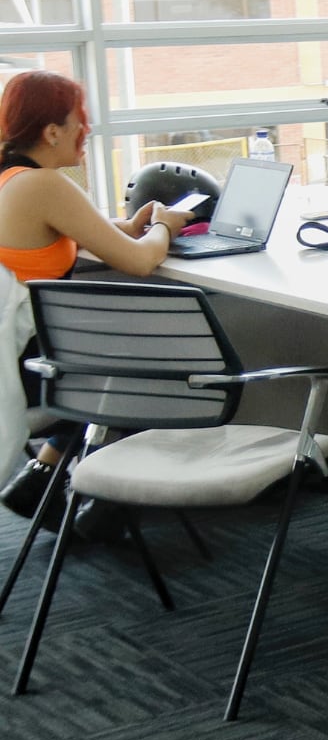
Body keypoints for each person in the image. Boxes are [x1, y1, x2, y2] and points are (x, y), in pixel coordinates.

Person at [0, 70, 193, 523]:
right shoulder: (44, 185)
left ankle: (46, 474)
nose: (86, 133)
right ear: (51, 131)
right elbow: (140, 263)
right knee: (154, 363)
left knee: (122, 353)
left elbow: (81, 236)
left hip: (28, 353)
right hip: (37, 365)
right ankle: (106, 499)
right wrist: (165, 225)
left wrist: (132, 227)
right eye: (80, 122)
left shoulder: (13, 178)